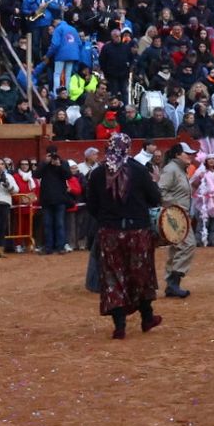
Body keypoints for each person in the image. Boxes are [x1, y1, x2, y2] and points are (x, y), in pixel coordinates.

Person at [86, 133, 164, 339]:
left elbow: (92, 205)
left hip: (109, 232)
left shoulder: (97, 173)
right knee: (141, 274)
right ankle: (147, 317)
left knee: (113, 276)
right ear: (128, 148)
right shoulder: (138, 170)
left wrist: (107, 219)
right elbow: (155, 198)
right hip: (137, 231)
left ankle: (119, 325)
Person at [157, 145, 194, 298]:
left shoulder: (177, 169)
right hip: (175, 215)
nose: (190, 156)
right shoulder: (172, 169)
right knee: (188, 244)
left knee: (177, 247)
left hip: (179, 214)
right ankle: (173, 282)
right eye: (187, 154)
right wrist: (175, 204)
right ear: (178, 154)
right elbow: (160, 191)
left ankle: (172, 283)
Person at [35, 149, 73, 254]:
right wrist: (45, 163)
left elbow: (69, 176)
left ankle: (60, 247)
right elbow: (36, 175)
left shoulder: (63, 163)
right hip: (46, 199)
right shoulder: (44, 164)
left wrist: (59, 165)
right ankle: (48, 247)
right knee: (47, 224)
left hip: (60, 198)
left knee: (60, 224)